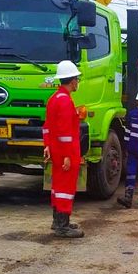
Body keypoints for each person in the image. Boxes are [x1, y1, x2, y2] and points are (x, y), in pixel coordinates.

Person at [42, 61, 84, 238]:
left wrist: (47, 146)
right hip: (66, 151)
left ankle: (57, 221)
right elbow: (65, 132)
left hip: (57, 150)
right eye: (77, 79)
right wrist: (67, 155)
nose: (78, 82)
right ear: (72, 81)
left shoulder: (54, 99)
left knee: (57, 186)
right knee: (65, 188)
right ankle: (62, 226)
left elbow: (48, 126)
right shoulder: (65, 101)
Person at [117, 89, 138, 209]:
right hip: (133, 150)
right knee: (130, 173)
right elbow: (127, 131)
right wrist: (126, 147)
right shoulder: (132, 115)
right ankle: (128, 197)